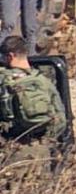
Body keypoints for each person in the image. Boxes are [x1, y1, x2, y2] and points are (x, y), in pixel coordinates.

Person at [0, 33, 67, 167]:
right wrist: (46, 142)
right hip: (40, 152)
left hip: (11, 151)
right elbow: (61, 120)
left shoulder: (3, 80)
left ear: (10, 56)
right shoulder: (43, 80)